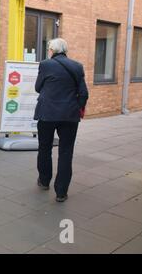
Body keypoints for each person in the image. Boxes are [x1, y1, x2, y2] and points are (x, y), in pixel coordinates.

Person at [34, 38, 89, 202]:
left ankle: (44, 181)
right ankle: (61, 192)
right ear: (65, 50)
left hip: (47, 114)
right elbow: (84, 93)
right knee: (66, 152)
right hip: (69, 116)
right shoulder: (77, 66)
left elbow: (38, 87)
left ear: (52, 50)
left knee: (44, 148)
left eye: (49, 48)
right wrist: (76, 107)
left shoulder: (45, 64)